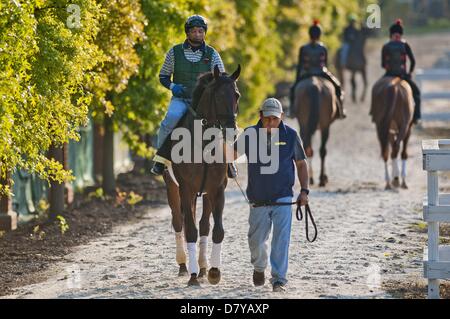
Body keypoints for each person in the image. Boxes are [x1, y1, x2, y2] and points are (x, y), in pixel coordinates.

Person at [233, 98, 310, 292]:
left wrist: (304, 191)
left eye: (275, 119)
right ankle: (259, 267)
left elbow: (301, 163)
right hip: (257, 199)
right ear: (260, 115)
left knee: (281, 240)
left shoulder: (291, 135)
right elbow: (230, 154)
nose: (270, 123)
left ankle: (279, 279)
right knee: (256, 241)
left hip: (283, 198)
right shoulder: (249, 134)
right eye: (267, 118)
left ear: (281, 117)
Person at [151, 15, 238, 177]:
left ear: (205, 33)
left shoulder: (213, 54)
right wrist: (173, 86)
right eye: (193, 31)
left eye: (200, 31)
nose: (197, 34)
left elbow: (221, 79)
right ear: (187, 33)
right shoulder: (174, 52)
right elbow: (163, 76)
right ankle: (160, 159)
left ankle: (229, 162)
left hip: (205, 101)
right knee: (171, 118)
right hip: (181, 99)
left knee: (224, 122)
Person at [289, 20, 346, 119]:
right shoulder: (323, 48)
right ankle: (341, 111)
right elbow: (325, 64)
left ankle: (292, 110)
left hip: (306, 73)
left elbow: (300, 65)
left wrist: (297, 79)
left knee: (292, 89)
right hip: (321, 72)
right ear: (320, 35)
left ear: (309, 34)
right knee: (338, 86)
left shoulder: (303, 48)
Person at [380, 19, 421, 124]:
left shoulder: (386, 46)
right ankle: (416, 117)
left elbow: (383, 64)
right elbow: (413, 61)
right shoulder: (405, 45)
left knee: (378, 91)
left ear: (391, 35)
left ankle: (376, 114)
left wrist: (389, 69)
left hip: (389, 75)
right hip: (403, 75)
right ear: (400, 34)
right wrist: (409, 73)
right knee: (416, 94)